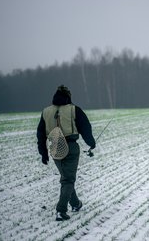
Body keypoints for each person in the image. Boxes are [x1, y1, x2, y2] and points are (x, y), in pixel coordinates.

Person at [37, 85, 96, 221]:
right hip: (70, 147)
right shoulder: (74, 109)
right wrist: (91, 143)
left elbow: (40, 134)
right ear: (68, 96)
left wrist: (43, 153)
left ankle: (75, 204)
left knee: (66, 177)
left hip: (55, 147)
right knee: (68, 179)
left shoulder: (46, 111)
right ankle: (61, 210)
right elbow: (85, 127)